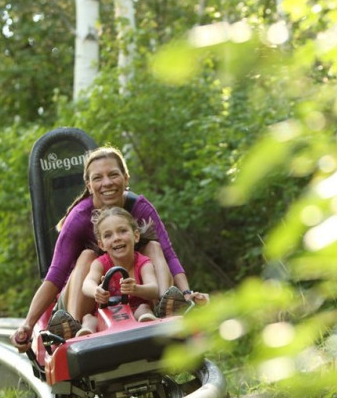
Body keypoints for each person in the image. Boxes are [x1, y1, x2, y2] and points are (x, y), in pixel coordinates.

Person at [11, 146, 208, 352]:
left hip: (136, 298)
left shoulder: (140, 208)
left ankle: (165, 308)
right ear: (88, 184)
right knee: (87, 255)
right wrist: (28, 324)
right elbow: (55, 276)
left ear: (125, 177)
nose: (107, 183)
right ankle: (74, 326)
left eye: (113, 175)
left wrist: (186, 293)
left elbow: (168, 255)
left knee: (154, 246)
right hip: (88, 302)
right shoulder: (79, 218)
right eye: (98, 178)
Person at [77, 207, 159, 336]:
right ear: (102, 244)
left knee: (144, 308)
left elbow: (154, 289)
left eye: (122, 231)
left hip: (134, 312)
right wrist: (96, 291)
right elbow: (87, 283)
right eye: (108, 235)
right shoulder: (100, 263)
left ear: (136, 236)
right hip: (105, 315)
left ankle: (148, 326)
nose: (116, 238)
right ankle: (86, 335)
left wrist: (136, 289)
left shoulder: (143, 263)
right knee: (88, 318)